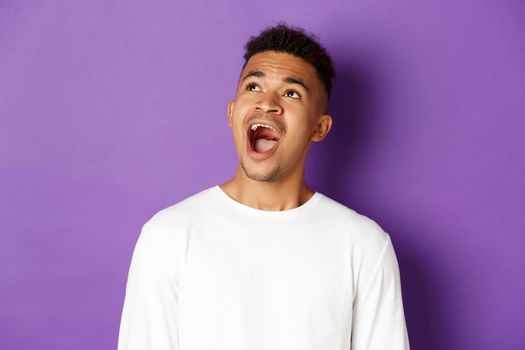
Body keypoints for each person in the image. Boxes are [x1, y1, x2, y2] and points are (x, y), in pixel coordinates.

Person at [117, 23, 410, 350]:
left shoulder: (364, 245)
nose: (268, 103)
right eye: (254, 87)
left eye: (291, 93)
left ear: (319, 127)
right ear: (232, 112)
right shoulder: (167, 236)